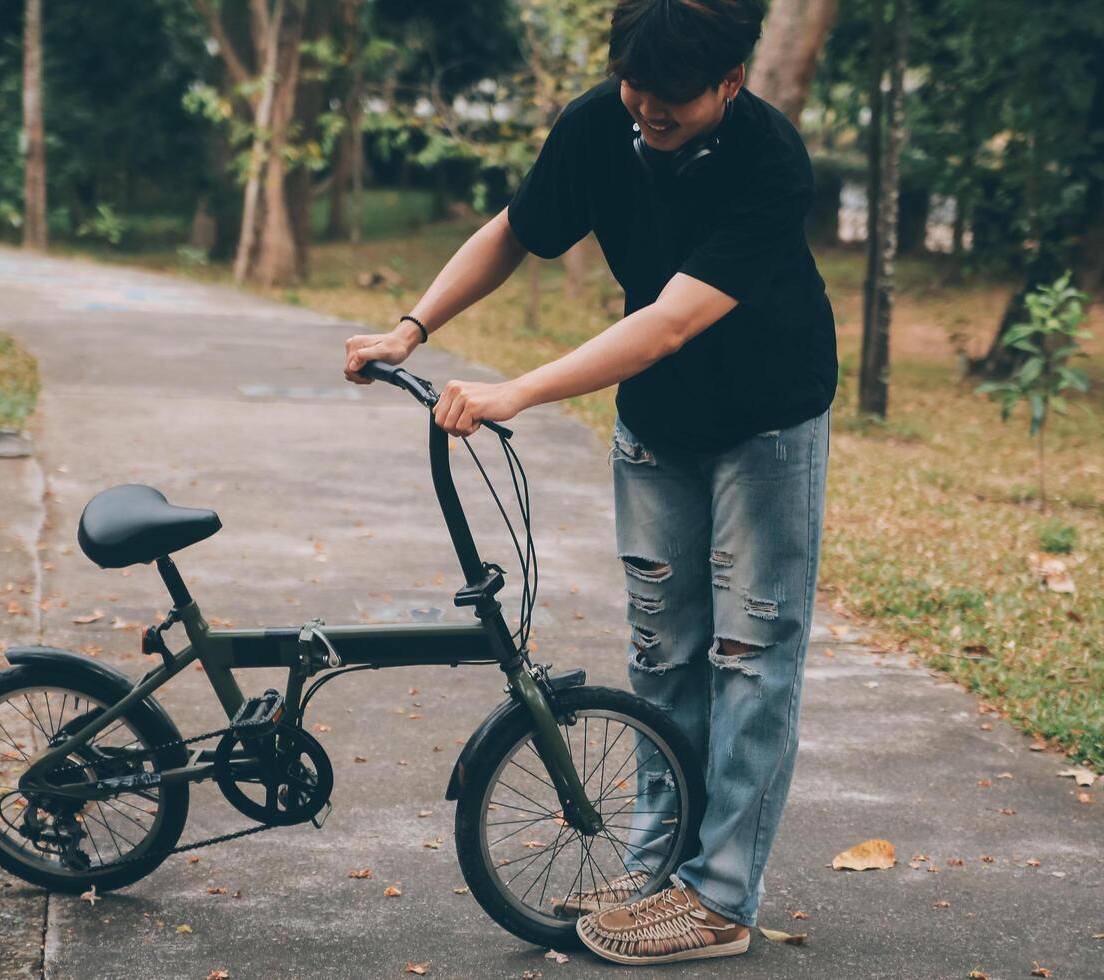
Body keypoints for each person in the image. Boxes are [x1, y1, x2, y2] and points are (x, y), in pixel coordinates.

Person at [343, 0, 835, 965]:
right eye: (635, 95)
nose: (646, 117)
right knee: (662, 653)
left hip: (766, 422)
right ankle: (656, 865)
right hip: (659, 424)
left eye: (671, 108)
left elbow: (667, 325)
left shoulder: (769, 162)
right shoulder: (600, 121)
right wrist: (414, 326)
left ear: (730, 84)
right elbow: (516, 229)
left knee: (750, 655)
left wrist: (518, 389)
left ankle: (720, 897)